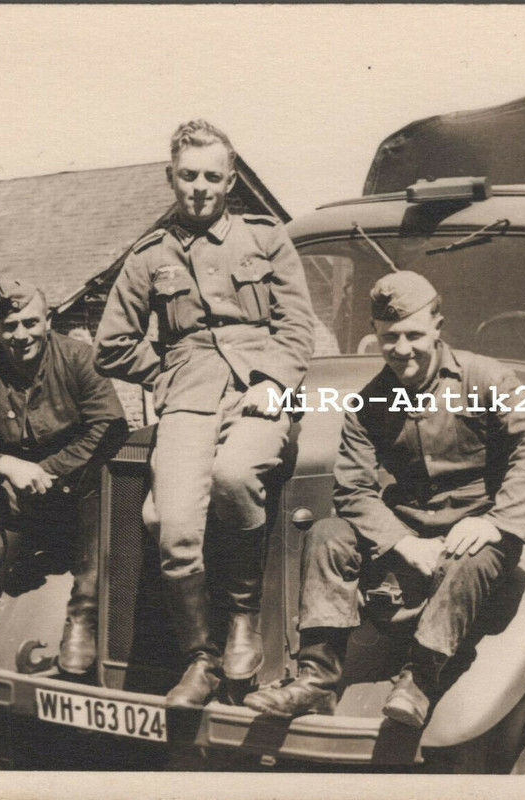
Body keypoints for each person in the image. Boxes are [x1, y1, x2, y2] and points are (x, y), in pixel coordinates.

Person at [244, 271, 525, 728]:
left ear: (437, 327)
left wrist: (496, 521)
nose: (402, 348)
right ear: (376, 335)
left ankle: (420, 678)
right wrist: (401, 543)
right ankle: (316, 677)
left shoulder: (486, 379)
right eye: (389, 337)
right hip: (408, 530)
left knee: (471, 556)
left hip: (479, 530)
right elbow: (353, 488)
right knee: (329, 533)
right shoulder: (370, 402)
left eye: (414, 334)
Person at [95, 120, 315, 707]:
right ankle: (201, 659)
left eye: (212, 176)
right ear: (171, 177)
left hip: (260, 389)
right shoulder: (148, 256)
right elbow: (112, 344)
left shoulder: (266, 238)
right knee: (172, 527)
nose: (199, 187)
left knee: (236, 475)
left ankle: (243, 618)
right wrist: (167, 373)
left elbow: (297, 326)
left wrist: (275, 382)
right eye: (188, 175)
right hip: (187, 393)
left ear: (231, 180)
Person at [0, 279, 126, 680]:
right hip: (20, 501)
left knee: (102, 487)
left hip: (77, 498)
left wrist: (50, 469)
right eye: (10, 326)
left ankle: (83, 622)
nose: (21, 335)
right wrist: (6, 465)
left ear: (48, 319)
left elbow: (111, 427)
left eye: (30, 322)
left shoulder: (78, 358)